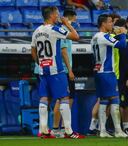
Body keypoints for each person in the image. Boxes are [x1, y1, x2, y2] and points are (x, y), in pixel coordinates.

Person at [30, 6, 84, 139]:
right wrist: (66, 24)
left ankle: (43, 130)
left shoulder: (36, 31)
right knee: (64, 98)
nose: (59, 16)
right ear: (52, 15)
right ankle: (69, 131)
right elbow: (76, 37)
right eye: (57, 13)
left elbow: (33, 51)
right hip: (57, 71)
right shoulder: (55, 29)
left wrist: (41, 63)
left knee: (44, 98)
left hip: (43, 71)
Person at [91, 14, 128, 138]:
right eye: (110, 22)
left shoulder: (95, 37)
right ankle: (118, 130)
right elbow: (122, 45)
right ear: (103, 24)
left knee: (103, 101)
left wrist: (117, 35)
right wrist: (123, 33)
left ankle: (102, 130)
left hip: (98, 71)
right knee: (114, 100)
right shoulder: (104, 36)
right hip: (108, 72)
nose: (112, 24)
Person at [52, 9, 78, 138]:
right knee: (61, 99)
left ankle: (63, 128)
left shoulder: (65, 30)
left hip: (66, 70)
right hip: (63, 70)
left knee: (69, 99)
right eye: (74, 18)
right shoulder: (62, 30)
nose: (76, 21)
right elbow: (63, 52)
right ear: (69, 18)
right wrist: (70, 70)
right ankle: (56, 128)